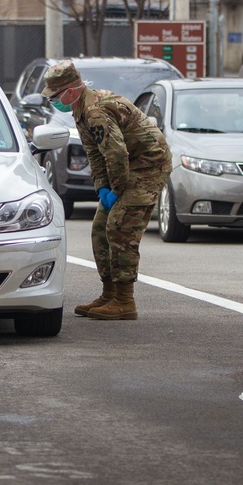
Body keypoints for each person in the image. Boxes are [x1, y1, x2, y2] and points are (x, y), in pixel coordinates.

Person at [41, 60, 172, 321]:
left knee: (120, 228)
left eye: (55, 96)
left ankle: (125, 301)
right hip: (126, 165)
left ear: (70, 91)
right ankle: (109, 294)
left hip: (147, 165)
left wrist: (118, 189)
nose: (53, 102)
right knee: (100, 228)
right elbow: (95, 153)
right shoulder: (81, 109)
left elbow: (115, 152)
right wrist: (102, 188)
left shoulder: (96, 110)